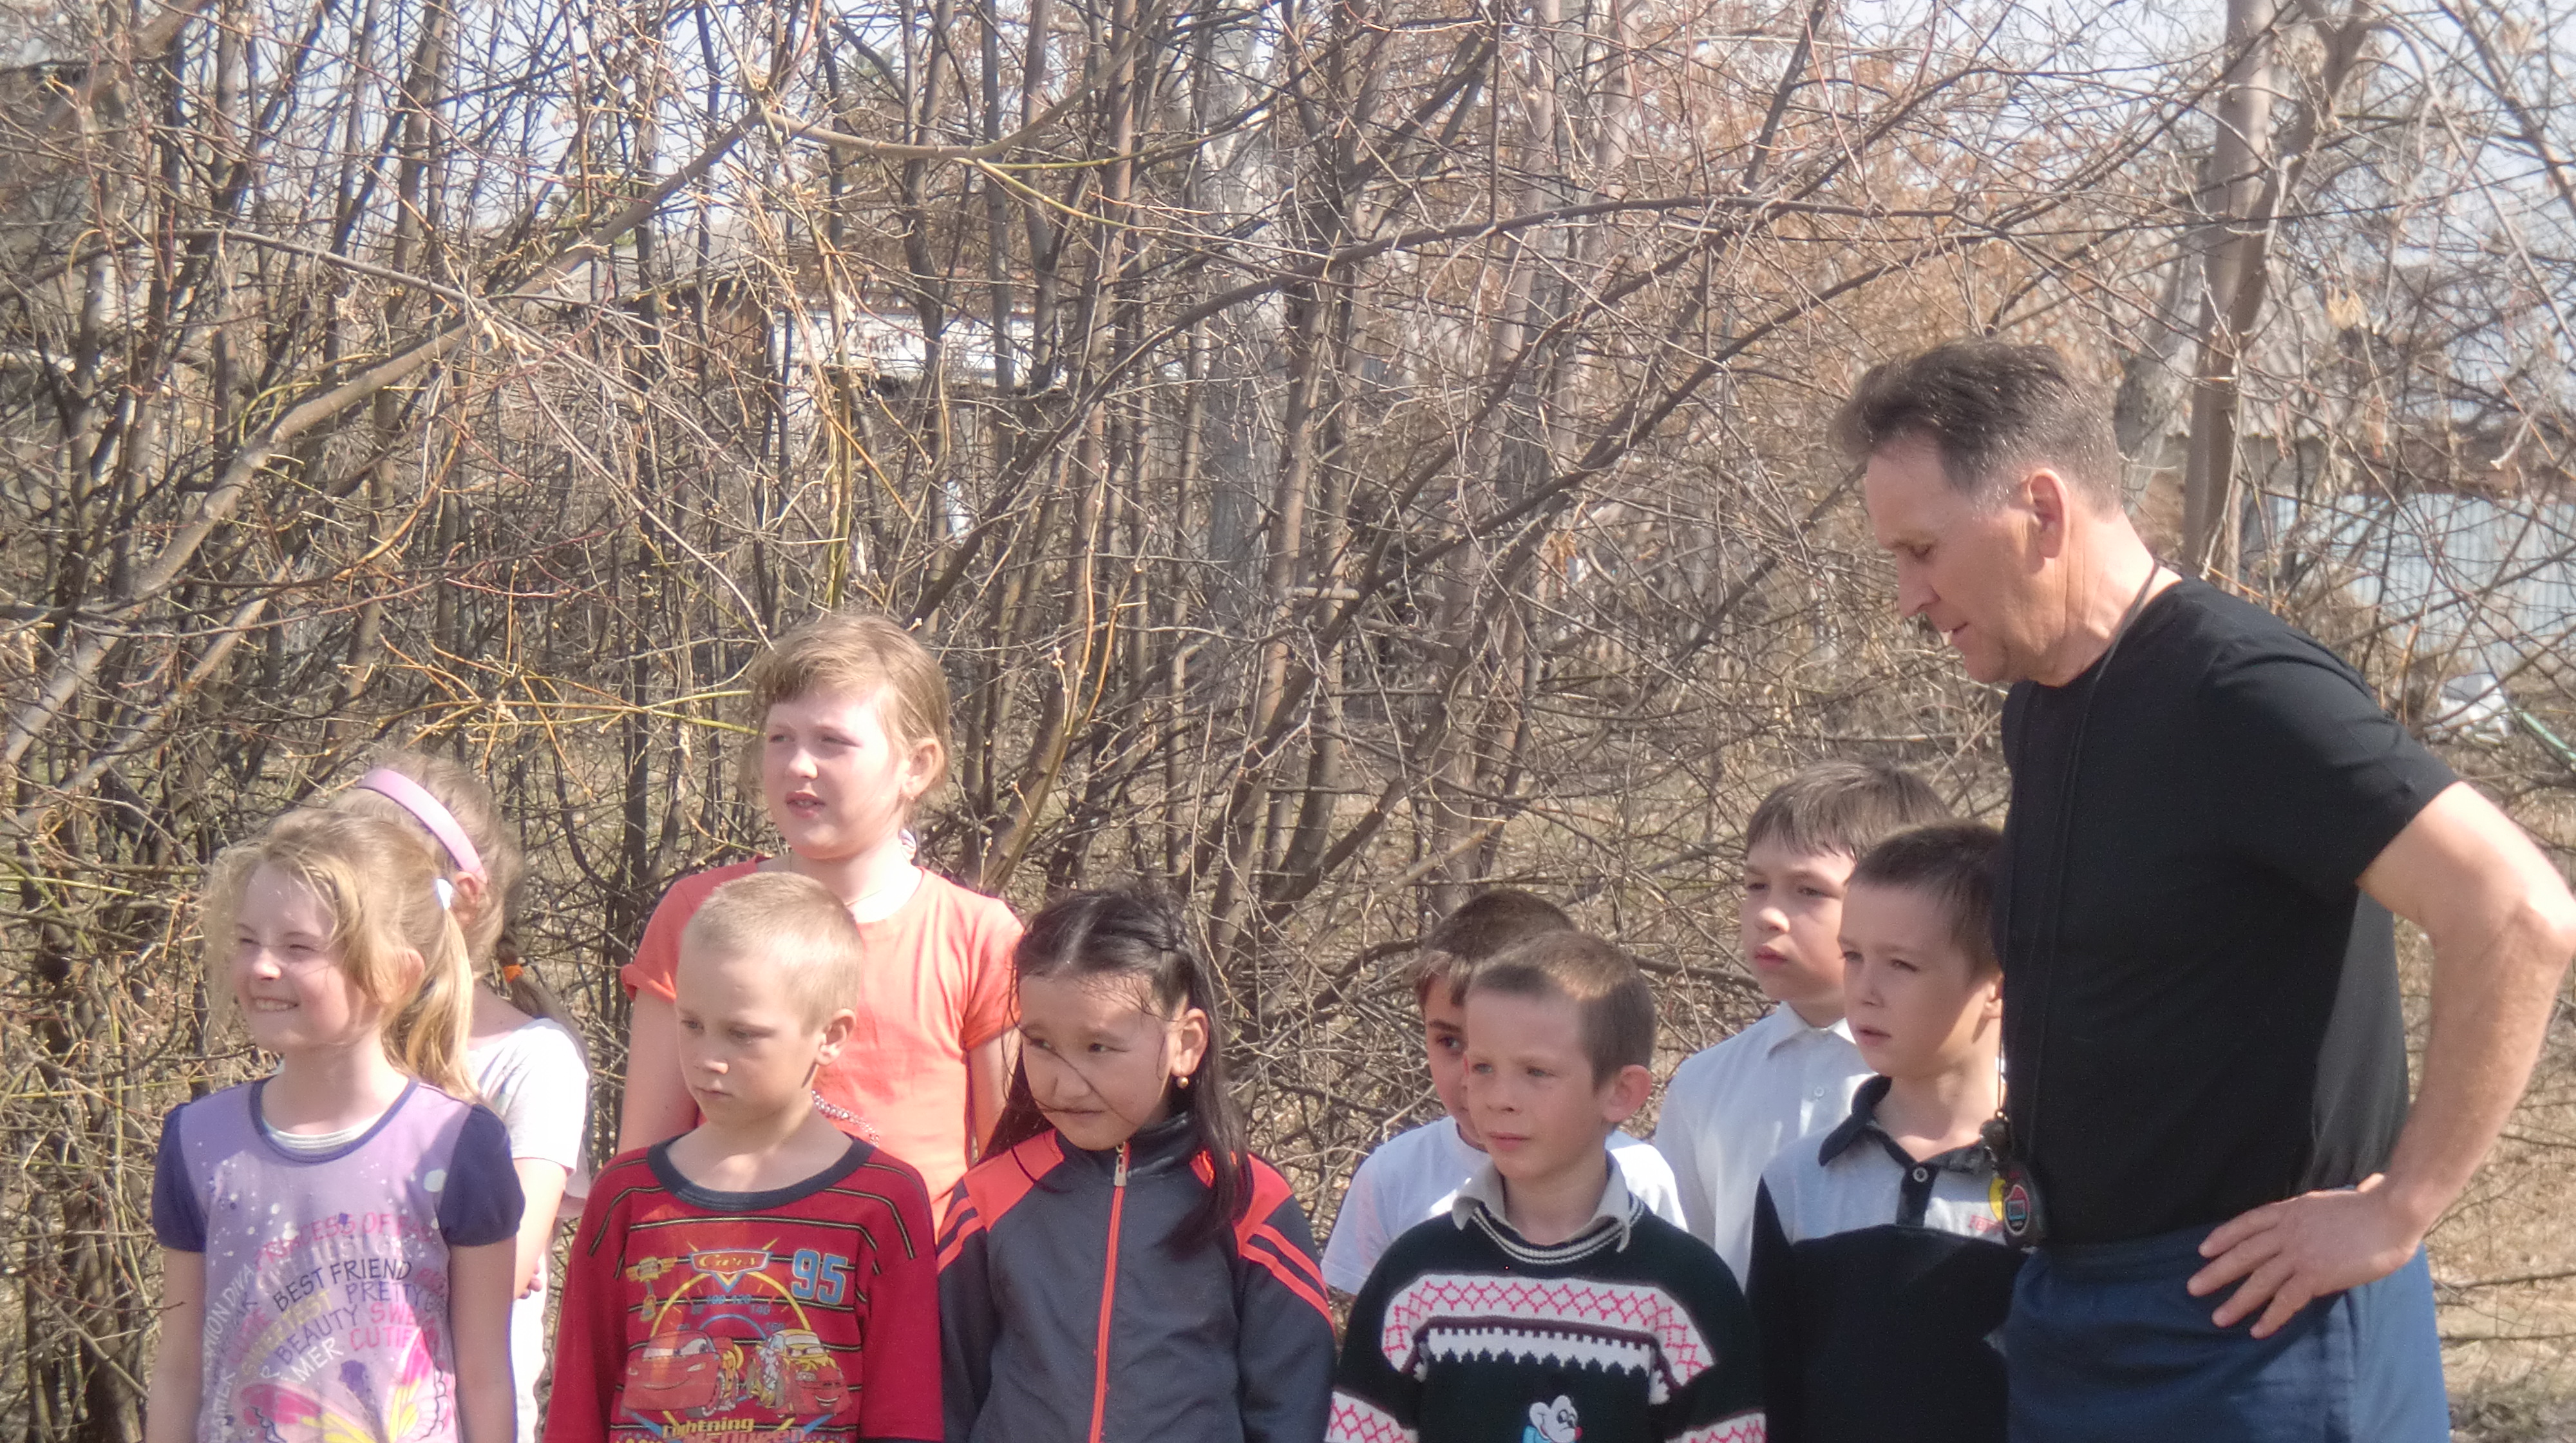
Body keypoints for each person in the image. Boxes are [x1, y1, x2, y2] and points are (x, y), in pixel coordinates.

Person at [1841, 338, 2576, 1440]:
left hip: (2263, 1334)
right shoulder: (2042, 703)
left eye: (1922, 550)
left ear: (2041, 510)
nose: (1908, 596)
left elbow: (2518, 913)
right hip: (2078, 1315)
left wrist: (2399, 1208)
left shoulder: (2244, 693)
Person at [618, 611, 1021, 1212]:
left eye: (832, 742)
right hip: (726, 1262)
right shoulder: (699, 913)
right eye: (780, 738)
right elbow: (642, 1169)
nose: (798, 765)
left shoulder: (977, 938)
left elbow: (1011, 1178)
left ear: (917, 766)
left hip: (918, 1266)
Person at [144, 809, 524, 1443]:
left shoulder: (459, 1147)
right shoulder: (197, 1142)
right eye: (248, 940)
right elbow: (178, 1369)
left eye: (298, 947)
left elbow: (485, 1377)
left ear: (396, 973)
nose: (262, 967)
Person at [545, 872, 942, 1443]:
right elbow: (578, 1398)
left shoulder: (884, 1203)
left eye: (743, 1034)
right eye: (692, 1024)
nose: (708, 1057)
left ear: (830, 1036)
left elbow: (906, 1412)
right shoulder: (627, 1196)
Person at [1331, 933, 1767, 1443]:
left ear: (1621, 1092)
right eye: (1483, 1067)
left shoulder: (1687, 1291)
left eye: (1536, 1072)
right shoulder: (1415, 1278)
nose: (1499, 1098)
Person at [937, 887, 1334, 1443]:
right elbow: (945, 1397)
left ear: (1186, 1044)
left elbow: (1294, 1407)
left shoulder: (1249, 1202)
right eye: (1041, 1043)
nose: (1065, 1083)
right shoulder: (988, 1198)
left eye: (1098, 1047)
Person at [334, 753, 591, 1443]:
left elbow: (501, 1269)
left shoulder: (533, 1060)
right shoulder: (333, 1050)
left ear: (464, 899)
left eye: (372, 900)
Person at [1748, 823, 2023, 1443]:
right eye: (1853, 956)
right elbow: (1772, 1398)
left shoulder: (2057, 1180)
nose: (1866, 991)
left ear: (1997, 987)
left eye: (1901, 964)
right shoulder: (1800, 1182)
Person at [1654, 760, 1950, 1281]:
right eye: (1756, 885)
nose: (1768, 915)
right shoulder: (1705, 1085)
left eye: (1809, 890)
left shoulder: (1963, 1085)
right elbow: (1678, 1273)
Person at [1320, 888, 1685, 1295]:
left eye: (1533, 1068)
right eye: (1450, 1042)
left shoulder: (1638, 1175)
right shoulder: (1393, 1176)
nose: (1482, 1085)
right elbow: (1368, 1322)